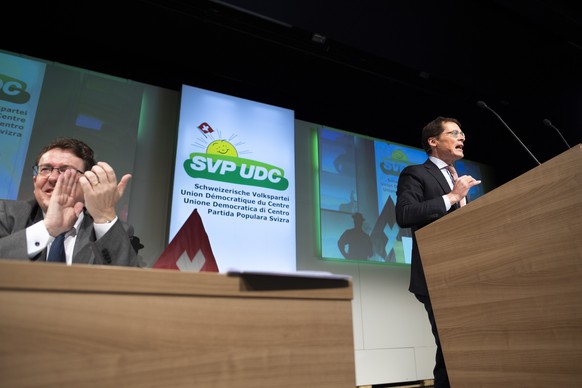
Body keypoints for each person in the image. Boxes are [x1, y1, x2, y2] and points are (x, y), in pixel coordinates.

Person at [395, 117, 481, 388]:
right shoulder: (416, 173)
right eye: (454, 133)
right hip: (437, 274)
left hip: (469, 271)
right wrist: (453, 197)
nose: (462, 137)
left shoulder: (461, 178)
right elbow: (404, 214)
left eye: (462, 132)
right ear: (433, 141)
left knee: (470, 346)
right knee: (451, 345)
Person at [0, 137, 142, 266]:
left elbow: (128, 284)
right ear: (35, 181)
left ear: (87, 183)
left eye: (66, 171)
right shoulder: (6, 214)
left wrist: (104, 215)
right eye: (45, 169)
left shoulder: (110, 232)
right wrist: (48, 228)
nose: (53, 178)